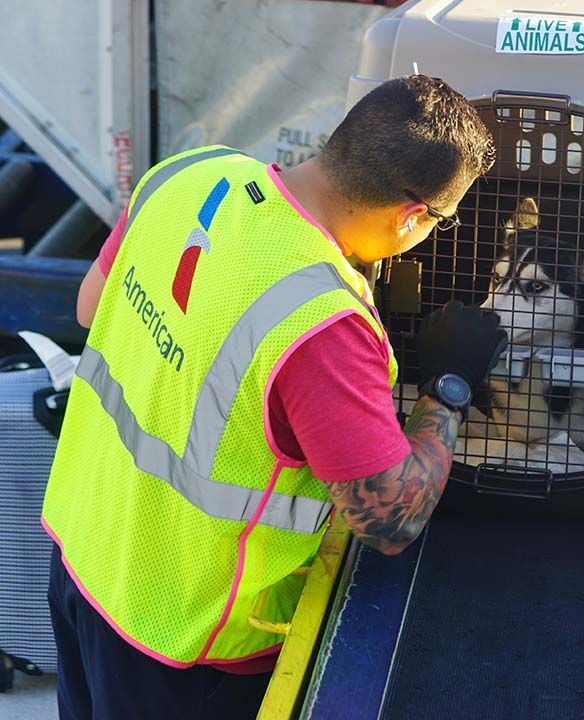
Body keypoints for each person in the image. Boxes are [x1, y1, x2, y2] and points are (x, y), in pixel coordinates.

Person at [42, 75, 507, 719]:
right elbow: (391, 520)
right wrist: (449, 385)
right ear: (411, 216)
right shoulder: (323, 322)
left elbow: (92, 307)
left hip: (83, 565)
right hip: (187, 646)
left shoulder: (189, 174)